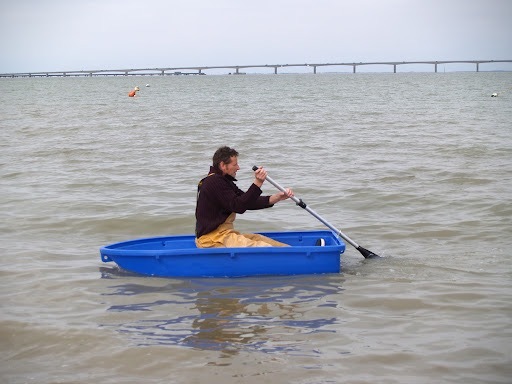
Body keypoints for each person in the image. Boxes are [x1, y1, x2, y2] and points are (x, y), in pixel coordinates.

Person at [195, 146, 294, 248]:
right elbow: (239, 206)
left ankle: (291, 253)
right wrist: (258, 182)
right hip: (212, 239)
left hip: (223, 235)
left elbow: (246, 201)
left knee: (260, 239)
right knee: (264, 247)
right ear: (223, 165)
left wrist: (276, 197)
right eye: (235, 164)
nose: (238, 168)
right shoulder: (214, 182)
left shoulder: (223, 181)